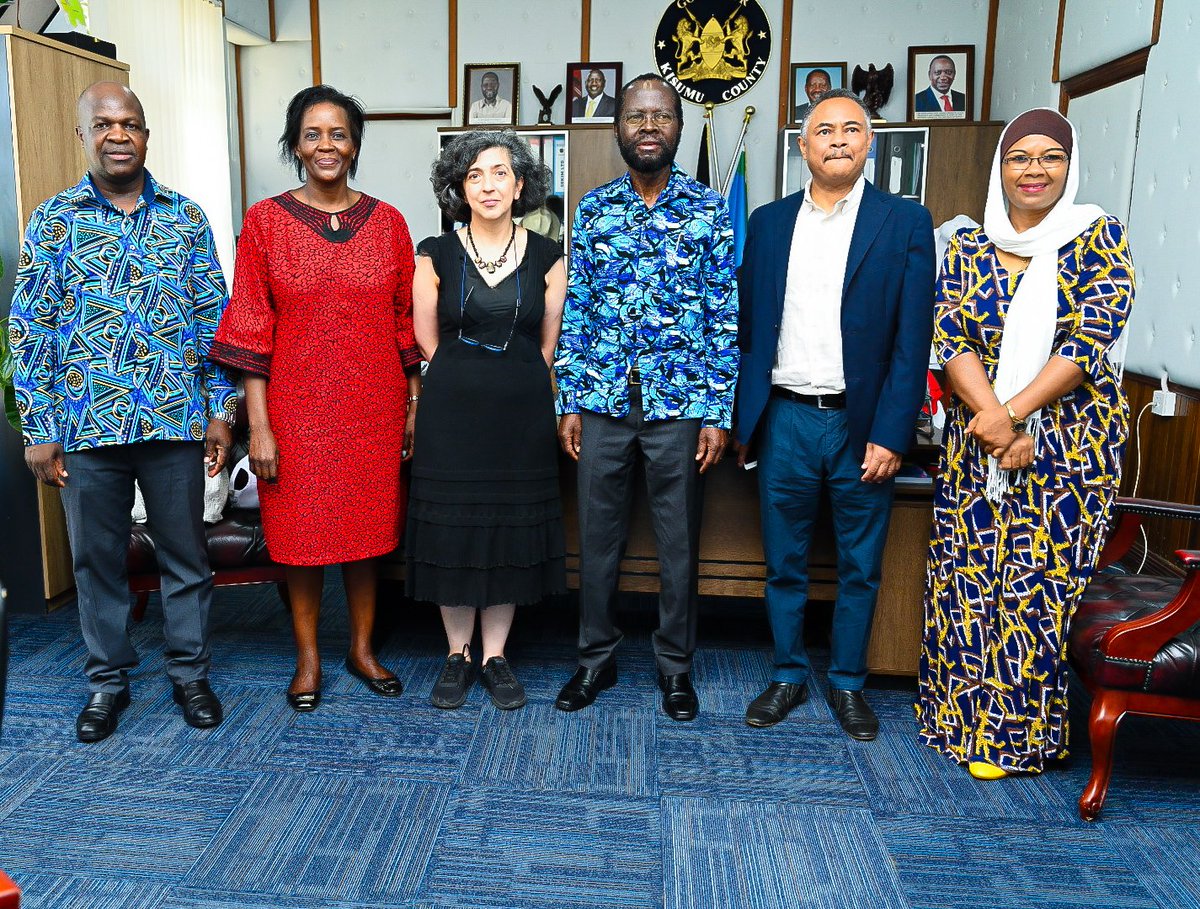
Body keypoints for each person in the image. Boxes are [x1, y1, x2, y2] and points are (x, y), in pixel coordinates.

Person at [9, 82, 236, 742]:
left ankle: (190, 673)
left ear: (145, 135)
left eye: (129, 123)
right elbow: (32, 328)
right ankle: (107, 681)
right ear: (84, 135)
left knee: (186, 557)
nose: (117, 134)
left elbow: (210, 320)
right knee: (95, 562)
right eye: (103, 124)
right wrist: (40, 429)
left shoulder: (185, 218)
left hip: (172, 421)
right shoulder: (54, 220)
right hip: (84, 427)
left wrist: (220, 411)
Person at [916, 108, 1135, 779]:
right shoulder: (968, 246)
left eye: (1050, 157)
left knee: (1033, 589)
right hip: (978, 445)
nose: (1033, 170)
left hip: (1067, 448)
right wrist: (994, 419)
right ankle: (954, 720)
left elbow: (1089, 337)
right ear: (999, 168)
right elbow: (950, 336)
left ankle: (1014, 739)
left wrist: (1014, 413)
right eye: (1019, 157)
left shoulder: (1098, 237)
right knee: (967, 578)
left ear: (1069, 166)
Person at [209, 85, 421, 712]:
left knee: (366, 532)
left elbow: (404, 321)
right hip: (295, 410)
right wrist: (261, 426)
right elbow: (250, 325)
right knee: (300, 535)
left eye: (339, 134)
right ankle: (307, 656)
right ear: (294, 144)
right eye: (312, 134)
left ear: (355, 144)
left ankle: (360, 648)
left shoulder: (388, 223)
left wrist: (413, 404)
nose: (326, 145)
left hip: (374, 406)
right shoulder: (266, 221)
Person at [734, 89, 935, 740]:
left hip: (861, 423)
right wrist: (748, 420)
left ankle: (849, 683)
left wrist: (891, 432)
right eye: (825, 130)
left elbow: (913, 341)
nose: (839, 139)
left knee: (860, 564)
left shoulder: (904, 222)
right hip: (786, 418)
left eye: (853, 129)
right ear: (804, 147)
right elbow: (748, 330)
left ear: (871, 143)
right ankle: (788, 673)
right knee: (783, 562)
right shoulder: (767, 223)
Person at [554, 74, 739, 721]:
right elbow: (576, 310)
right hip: (603, 401)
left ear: (679, 128)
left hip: (680, 407)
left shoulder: (708, 210)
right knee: (597, 540)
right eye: (637, 116)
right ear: (619, 128)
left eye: (662, 115)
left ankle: (675, 668)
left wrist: (718, 411)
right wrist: (569, 400)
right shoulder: (595, 209)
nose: (650, 126)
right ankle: (594, 660)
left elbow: (723, 316)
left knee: (677, 542)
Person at [408, 131, 567, 711]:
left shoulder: (551, 257)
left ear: (520, 185)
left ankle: (495, 655)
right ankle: (457, 654)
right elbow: (427, 339)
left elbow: (548, 345)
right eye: (474, 175)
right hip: (452, 413)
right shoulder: (434, 252)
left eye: (499, 173)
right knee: (454, 527)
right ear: (460, 188)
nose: (488, 185)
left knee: (507, 528)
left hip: (520, 414)